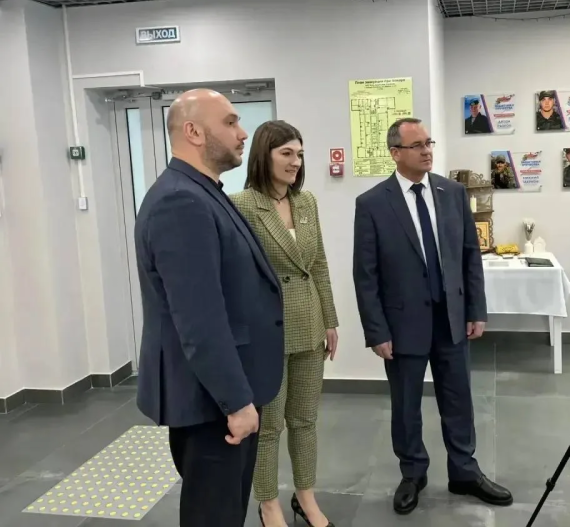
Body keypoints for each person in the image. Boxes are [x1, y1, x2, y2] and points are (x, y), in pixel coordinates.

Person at [135, 89, 284, 527]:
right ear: (194, 132)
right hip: (212, 403)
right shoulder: (180, 201)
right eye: (231, 122)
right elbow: (199, 320)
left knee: (226, 510)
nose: (243, 134)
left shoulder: (206, 192)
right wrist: (236, 403)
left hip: (223, 394)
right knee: (213, 515)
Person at [352, 118, 513, 515]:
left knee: (458, 399)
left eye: (429, 143)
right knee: (406, 405)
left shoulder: (452, 193)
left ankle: (464, 471)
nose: (427, 151)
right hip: (402, 324)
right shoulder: (372, 204)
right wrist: (376, 330)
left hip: (451, 319)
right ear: (395, 153)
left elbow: (469, 256)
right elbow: (365, 274)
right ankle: (413, 473)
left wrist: (475, 309)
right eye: (417, 145)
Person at [230, 121, 338, 527]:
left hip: (310, 325)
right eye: (287, 153)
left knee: (305, 420)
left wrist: (330, 320)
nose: (296, 162)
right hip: (268, 333)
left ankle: (305, 496)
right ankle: (268, 502)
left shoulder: (306, 202)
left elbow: (319, 264)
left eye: (300, 154)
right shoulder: (242, 205)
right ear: (265, 155)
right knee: (270, 425)